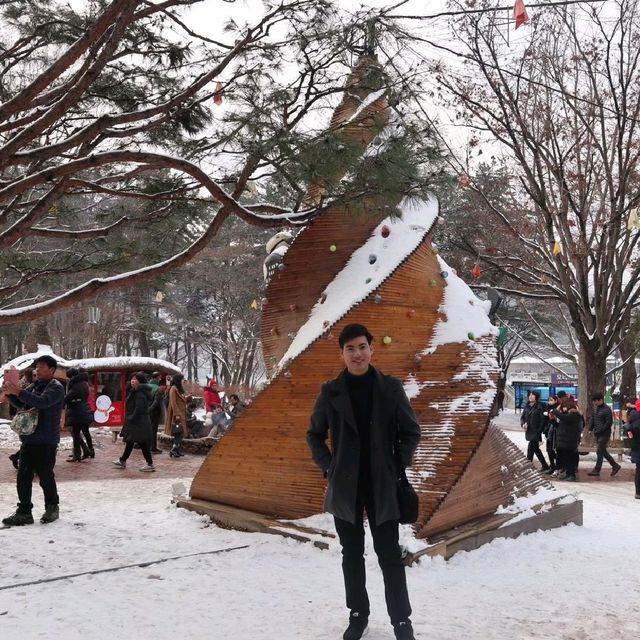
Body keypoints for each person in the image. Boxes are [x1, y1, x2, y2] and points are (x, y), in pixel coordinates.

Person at [306, 323, 421, 640]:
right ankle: (358, 614)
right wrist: (329, 466)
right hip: (346, 488)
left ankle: (401, 620)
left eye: (361, 346)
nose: (357, 354)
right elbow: (314, 435)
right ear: (342, 353)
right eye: (350, 349)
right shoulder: (330, 392)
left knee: (389, 555)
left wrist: (396, 463)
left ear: (372, 348)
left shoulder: (391, 388)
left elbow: (411, 431)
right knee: (351, 554)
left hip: (383, 486)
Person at [2, 355, 65, 526]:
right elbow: (23, 404)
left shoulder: (56, 388)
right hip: (29, 439)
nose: (37, 369)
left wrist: (19, 392)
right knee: (23, 476)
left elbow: (42, 403)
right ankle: (24, 511)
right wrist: (9, 394)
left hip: (46, 440)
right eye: (37, 366)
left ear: (52, 369)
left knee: (45, 476)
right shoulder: (35, 385)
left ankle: (52, 507)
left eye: (42, 366)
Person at [113, 372, 155, 472]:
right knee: (130, 441)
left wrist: (131, 417)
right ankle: (123, 460)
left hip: (139, 422)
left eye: (135, 379)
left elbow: (139, 408)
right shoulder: (135, 391)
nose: (132, 380)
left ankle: (150, 464)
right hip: (137, 422)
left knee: (142, 443)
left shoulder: (140, 393)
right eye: (132, 378)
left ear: (140, 381)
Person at [64, 367, 95, 462]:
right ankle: (88, 450)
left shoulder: (76, 385)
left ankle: (79, 453)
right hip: (84, 410)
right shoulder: (84, 383)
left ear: (72, 376)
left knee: (76, 434)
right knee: (84, 432)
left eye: (69, 377)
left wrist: (63, 399)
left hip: (78, 412)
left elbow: (68, 397)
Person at [588, 392, 621, 477]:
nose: (594, 403)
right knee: (603, 451)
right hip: (597, 433)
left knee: (600, 451)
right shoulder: (596, 409)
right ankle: (615, 465)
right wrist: (590, 429)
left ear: (600, 400)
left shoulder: (606, 409)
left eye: (595, 401)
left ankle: (597, 469)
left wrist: (601, 430)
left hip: (604, 433)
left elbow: (609, 422)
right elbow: (593, 419)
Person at [550, 399, 582, 482]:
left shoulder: (574, 415)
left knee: (570, 459)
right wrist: (553, 420)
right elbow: (559, 426)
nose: (562, 409)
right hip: (564, 440)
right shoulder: (567, 415)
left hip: (569, 441)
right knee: (566, 459)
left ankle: (572, 475)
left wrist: (555, 410)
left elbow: (562, 417)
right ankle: (568, 474)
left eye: (563, 407)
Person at [521, 390, 549, 471]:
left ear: (536, 396)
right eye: (529, 395)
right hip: (528, 430)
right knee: (536, 449)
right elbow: (522, 417)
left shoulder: (540, 406)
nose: (530, 396)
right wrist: (523, 424)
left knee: (530, 448)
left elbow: (542, 419)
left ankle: (527, 466)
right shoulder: (527, 406)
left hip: (536, 431)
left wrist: (539, 430)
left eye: (532, 395)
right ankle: (545, 465)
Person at [626, 399, 640, 499]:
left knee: (639, 470)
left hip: (636, 449)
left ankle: (638, 492)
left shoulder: (633, 419)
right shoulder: (637, 422)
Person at [543, 395, 559, 475]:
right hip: (549, 432)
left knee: (553, 450)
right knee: (549, 450)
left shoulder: (557, 409)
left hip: (555, 433)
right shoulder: (548, 408)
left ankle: (556, 466)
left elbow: (557, 423)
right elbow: (546, 421)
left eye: (551, 400)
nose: (550, 401)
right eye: (549, 400)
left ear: (556, 400)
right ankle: (552, 466)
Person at [148, 381, 166, 454]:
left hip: (149, 413)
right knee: (153, 430)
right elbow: (156, 403)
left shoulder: (148, 388)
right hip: (154, 414)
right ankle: (153, 447)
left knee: (149, 430)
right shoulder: (158, 391)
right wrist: (149, 410)